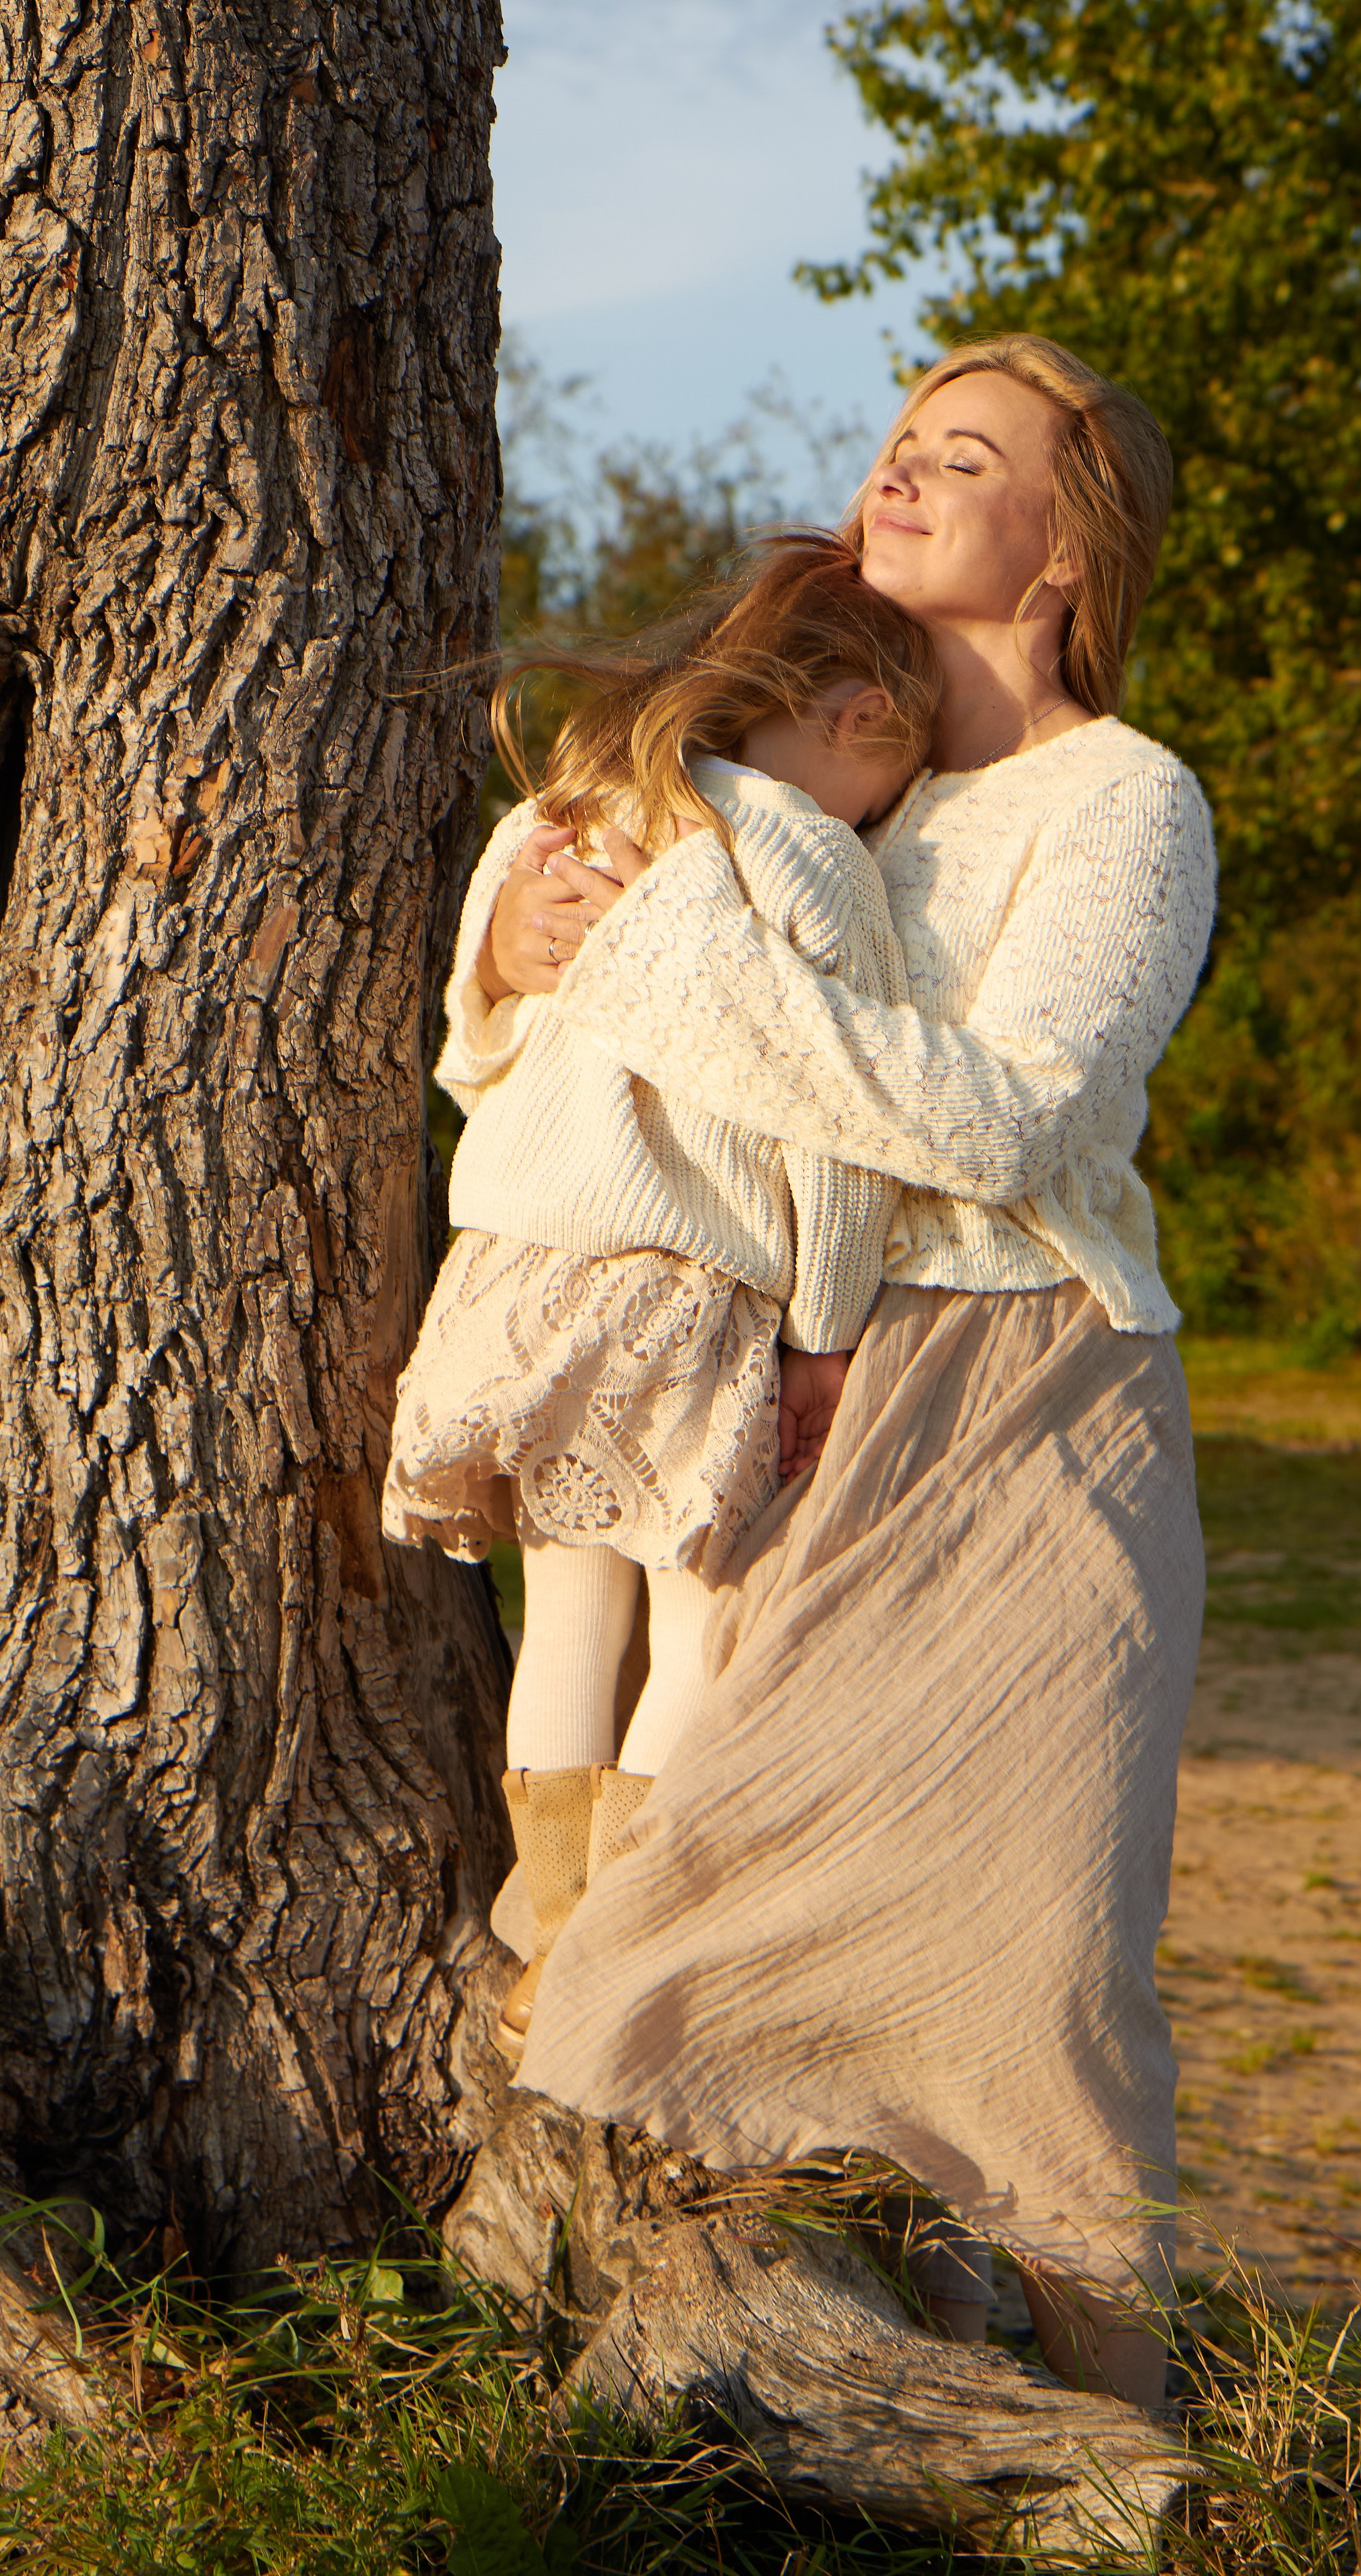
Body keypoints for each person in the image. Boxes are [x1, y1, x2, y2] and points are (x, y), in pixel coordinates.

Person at [472, 336, 1218, 2406]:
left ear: (1066, 544)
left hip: (1037, 1394)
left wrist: (657, 961)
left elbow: (1006, 1121)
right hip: (790, 1384)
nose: (901, 476)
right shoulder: (827, 762)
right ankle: (713, 2372)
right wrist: (533, 942)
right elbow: (636, 1057)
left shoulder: (1122, 800)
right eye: (897, 446)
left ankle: (1112, 2414)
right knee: (693, 1919)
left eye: (961, 457)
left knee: (1045, 1960)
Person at [383, 533, 938, 2060]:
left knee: (566, 1610)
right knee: (699, 1619)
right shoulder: (812, 856)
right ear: (856, 719)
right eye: (897, 777)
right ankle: (608, 1953)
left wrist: (501, 966)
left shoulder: (562, 816)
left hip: (511, 1270)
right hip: (682, 1289)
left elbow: (474, 1044)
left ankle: (540, 1923)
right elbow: (830, 1129)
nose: (886, 814)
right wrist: (826, 1327)